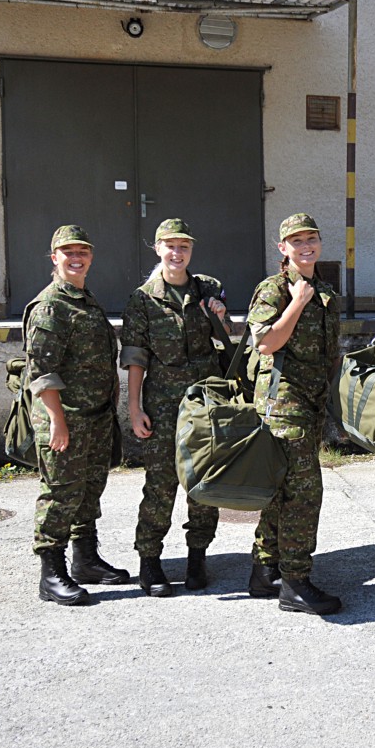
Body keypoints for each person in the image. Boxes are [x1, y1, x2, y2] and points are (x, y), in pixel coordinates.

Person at [120, 218, 229, 596]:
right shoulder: (143, 299)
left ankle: (197, 556)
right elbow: (135, 358)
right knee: (161, 485)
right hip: (163, 405)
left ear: (191, 250)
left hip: (205, 403)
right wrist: (134, 408)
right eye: (170, 246)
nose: (177, 253)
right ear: (158, 249)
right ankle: (149, 561)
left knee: (205, 480)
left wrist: (219, 316)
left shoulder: (207, 289)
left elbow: (225, 340)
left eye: (184, 246)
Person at [245, 213, 342, 615]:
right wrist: (297, 303)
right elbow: (266, 343)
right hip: (283, 403)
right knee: (304, 492)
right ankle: (295, 582)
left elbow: (330, 352)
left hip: (312, 402)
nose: (306, 246)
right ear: (282, 248)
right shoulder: (274, 289)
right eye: (296, 241)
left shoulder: (325, 291)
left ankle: (265, 569)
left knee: (283, 487)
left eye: (311, 239)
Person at [25, 224, 126, 605]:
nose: (76, 258)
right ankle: (51, 573)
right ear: (55, 258)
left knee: (88, 490)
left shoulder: (84, 299)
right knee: (61, 493)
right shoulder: (51, 305)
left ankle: (86, 560)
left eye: (82, 251)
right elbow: (42, 373)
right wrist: (57, 420)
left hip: (95, 416)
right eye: (68, 252)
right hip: (65, 417)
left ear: (91, 257)